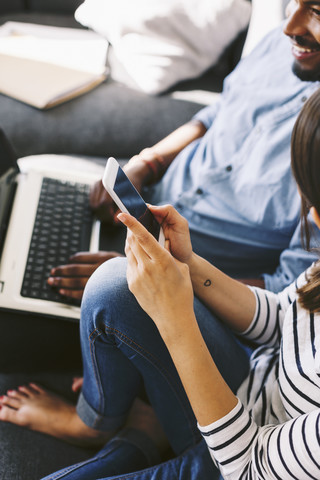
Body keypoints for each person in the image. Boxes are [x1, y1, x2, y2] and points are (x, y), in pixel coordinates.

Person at [2, 11, 320, 480]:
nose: (310, 218)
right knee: (113, 284)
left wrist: (175, 313)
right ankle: (134, 430)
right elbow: (284, 317)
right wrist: (187, 267)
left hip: (237, 455)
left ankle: (139, 440)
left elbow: (249, 468)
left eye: (316, 204)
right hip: (244, 390)